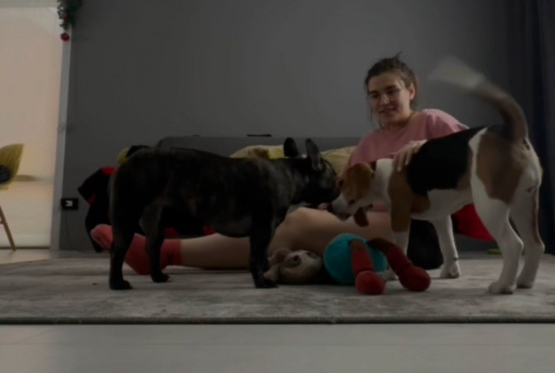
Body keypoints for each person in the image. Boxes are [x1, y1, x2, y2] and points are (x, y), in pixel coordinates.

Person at [90, 54, 485, 275]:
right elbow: (347, 198)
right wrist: (327, 207)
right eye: (374, 95)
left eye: (391, 91)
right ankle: (166, 253)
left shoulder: (433, 121)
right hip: (368, 229)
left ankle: (166, 253)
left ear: (411, 90)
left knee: (293, 223)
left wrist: (426, 147)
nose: (383, 101)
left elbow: (475, 155)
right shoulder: (369, 144)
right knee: (286, 218)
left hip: (421, 233)